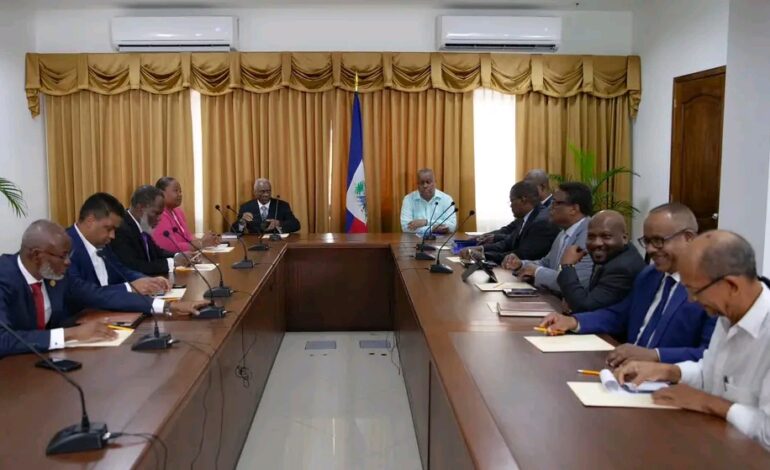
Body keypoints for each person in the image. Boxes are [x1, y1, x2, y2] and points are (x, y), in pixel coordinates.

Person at [614, 231, 770, 450]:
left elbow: (767, 434)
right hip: (715, 444)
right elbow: (711, 374)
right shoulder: (727, 315)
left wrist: (707, 402)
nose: (691, 300)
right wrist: (668, 371)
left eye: (695, 291)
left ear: (732, 286)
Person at [0, 220, 209, 358]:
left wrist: (168, 307)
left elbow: (102, 296)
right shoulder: (4, 278)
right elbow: (3, 340)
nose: (68, 263)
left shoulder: (55, 276)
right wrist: (70, 334)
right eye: (62, 256)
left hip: (44, 361)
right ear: (36, 255)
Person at [540, 202, 715, 365]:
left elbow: (710, 356)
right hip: (624, 372)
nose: (650, 249)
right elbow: (620, 315)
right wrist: (573, 322)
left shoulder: (712, 288)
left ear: (689, 238)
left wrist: (655, 355)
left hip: (670, 384)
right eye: (647, 241)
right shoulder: (650, 276)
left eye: (658, 241)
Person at [66, 193, 169, 302]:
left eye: (114, 230)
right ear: (90, 221)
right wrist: (130, 287)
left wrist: (147, 280)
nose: (112, 236)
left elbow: (120, 270)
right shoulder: (65, 247)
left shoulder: (102, 244)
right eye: (109, 228)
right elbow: (84, 292)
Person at [503, 182, 594, 293]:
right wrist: (521, 264)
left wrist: (536, 272)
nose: (550, 207)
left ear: (574, 209)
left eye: (556, 203)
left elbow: (576, 282)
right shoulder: (564, 232)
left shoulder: (590, 235)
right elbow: (547, 262)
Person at [557, 210, 646, 312]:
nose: (596, 243)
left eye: (606, 236)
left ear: (624, 238)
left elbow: (584, 307)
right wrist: (572, 299)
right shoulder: (615, 254)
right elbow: (591, 296)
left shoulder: (622, 268)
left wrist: (567, 266)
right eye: (591, 237)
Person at [463, 181, 559, 264]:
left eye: (512, 201)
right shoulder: (526, 217)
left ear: (523, 199)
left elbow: (522, 255)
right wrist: (481, 249)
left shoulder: (541, 222)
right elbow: (507, 243)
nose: (510, 206)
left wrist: (483, 255)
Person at [112, 185, 192, 276]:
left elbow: (157, 252)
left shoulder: (143, 224)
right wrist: (172, 262)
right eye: (156, 213)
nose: (159, 218)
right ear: (140, 208)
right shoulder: (121, 228)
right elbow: (133, 266)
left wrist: (179, 256)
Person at [152, 176, 218, 252]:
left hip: (187, 258)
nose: (180, 194)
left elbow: (188, 238)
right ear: (161, 193)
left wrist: (208, 240)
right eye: (176, 191)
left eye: (180, 191)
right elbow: (169, 247)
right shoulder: (158, 215)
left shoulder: (178, 212)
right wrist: (201, 243)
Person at [400, 168, 457, 236]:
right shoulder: (408, 199)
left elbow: (452, 226)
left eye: (428, 182)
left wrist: (426, 222)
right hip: (415, 242)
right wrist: (432, 229)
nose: (425, 186)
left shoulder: (446, 199)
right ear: (417, 184)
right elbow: (405, 227)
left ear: (435, 182)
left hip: (441, 242)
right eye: (422, 183)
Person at [233, 178, 301, 234]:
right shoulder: (246, 207)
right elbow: (234, 231)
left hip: (277, 243)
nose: (266, 194)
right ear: (255, 192)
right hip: (254, 244)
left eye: (268, 191)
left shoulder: (281, 205)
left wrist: (279, 223)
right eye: (262, 191)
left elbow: (296, 225)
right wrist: (242, 222)